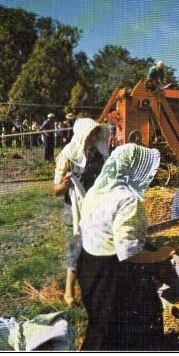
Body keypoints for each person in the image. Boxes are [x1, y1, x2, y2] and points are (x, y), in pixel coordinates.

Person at [77, 144, 173, 351]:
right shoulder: (128, 199)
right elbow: (128, 252)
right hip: (114, 273)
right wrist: (160, 255)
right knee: (139, 321)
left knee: (101, 325)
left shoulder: (97, 190)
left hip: (90, 266)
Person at [53, 118, 109, 307]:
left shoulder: (99, 154)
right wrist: (65, 184)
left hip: (96, 208)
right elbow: (56, 190)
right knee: (76, 250)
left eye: (96, 134)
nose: (95, 137)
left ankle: (94, 288)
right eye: (92, 134)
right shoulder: (68, 156)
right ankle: (69, 292)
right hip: (75, 210)